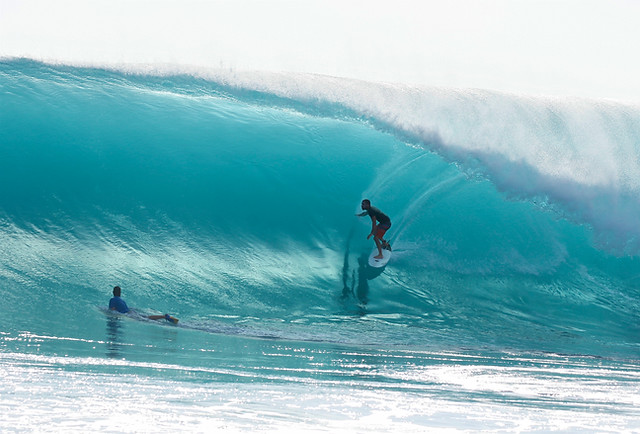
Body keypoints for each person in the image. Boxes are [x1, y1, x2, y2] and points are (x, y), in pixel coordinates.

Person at [109, 286, 178, 324]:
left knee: (147, 318)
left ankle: (164, 316)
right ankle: (165, 317)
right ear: (120, 293)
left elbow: (112, 310)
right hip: (131, 312)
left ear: (113, 292)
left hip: (128, 314)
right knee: (146, 317)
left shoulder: (112, 299)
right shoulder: (122, 300)